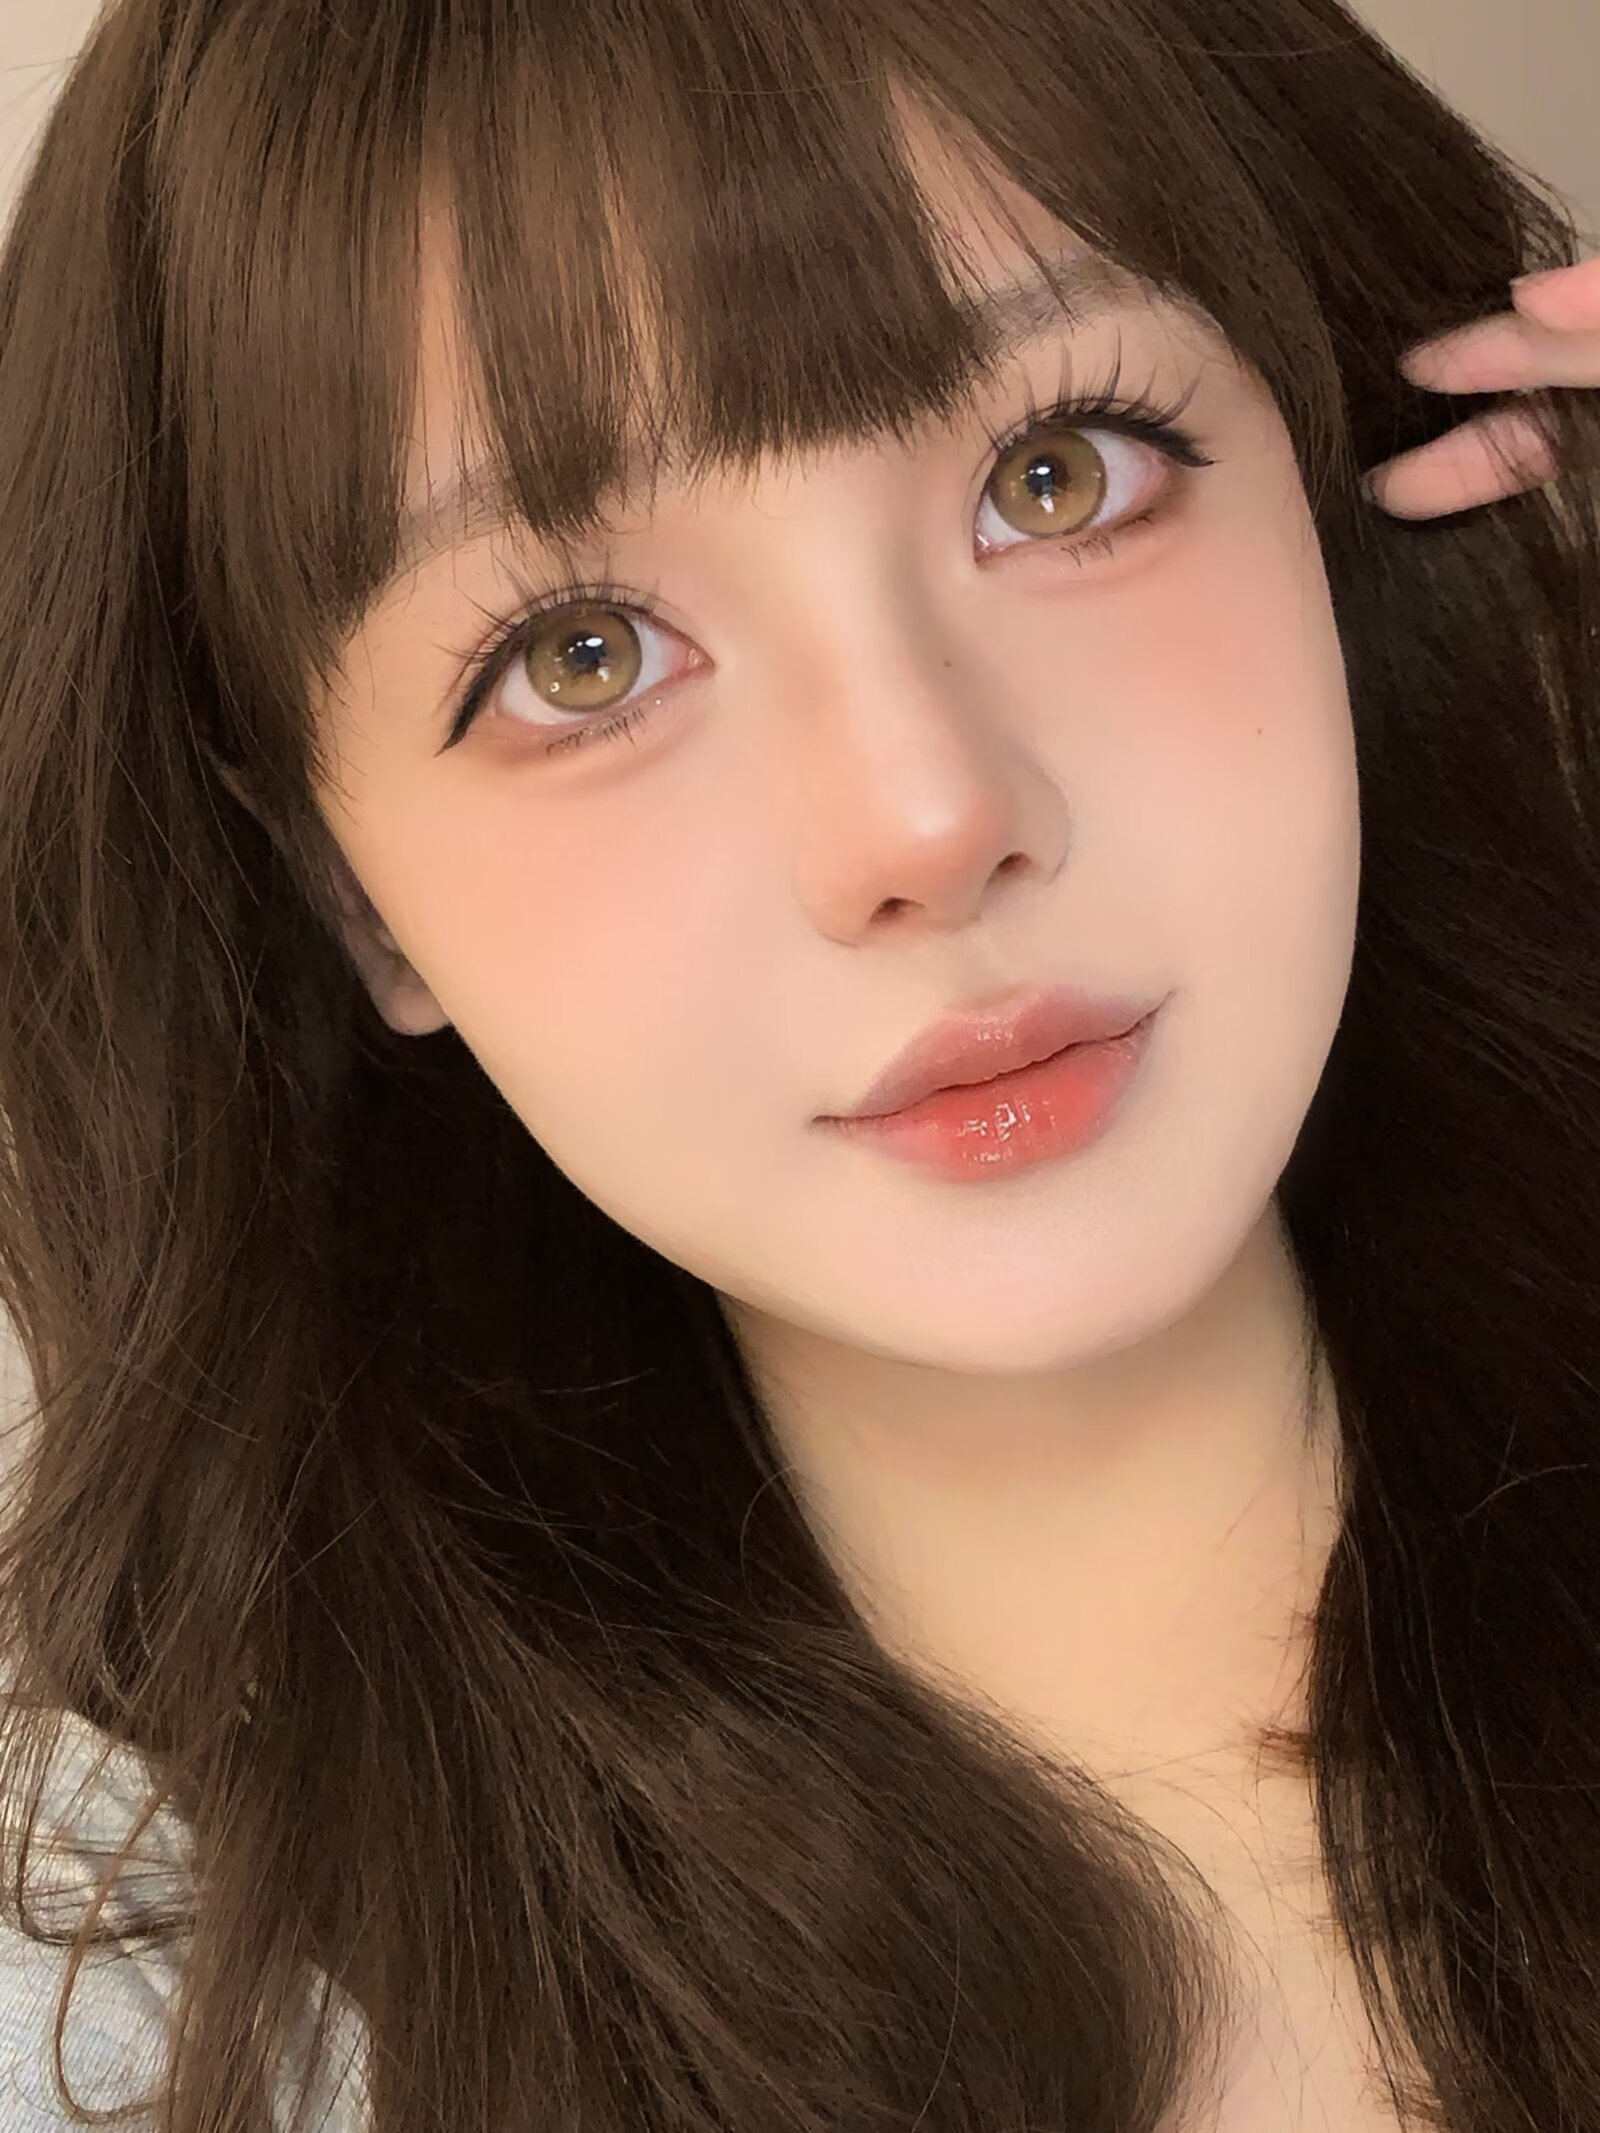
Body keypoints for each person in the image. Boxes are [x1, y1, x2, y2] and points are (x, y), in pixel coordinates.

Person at [0, 0, 1596, 2126]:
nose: (928, 819)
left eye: (1058, 472)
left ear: (1325, 493)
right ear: (349, 894)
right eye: (581, 655)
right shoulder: (159, 2020)